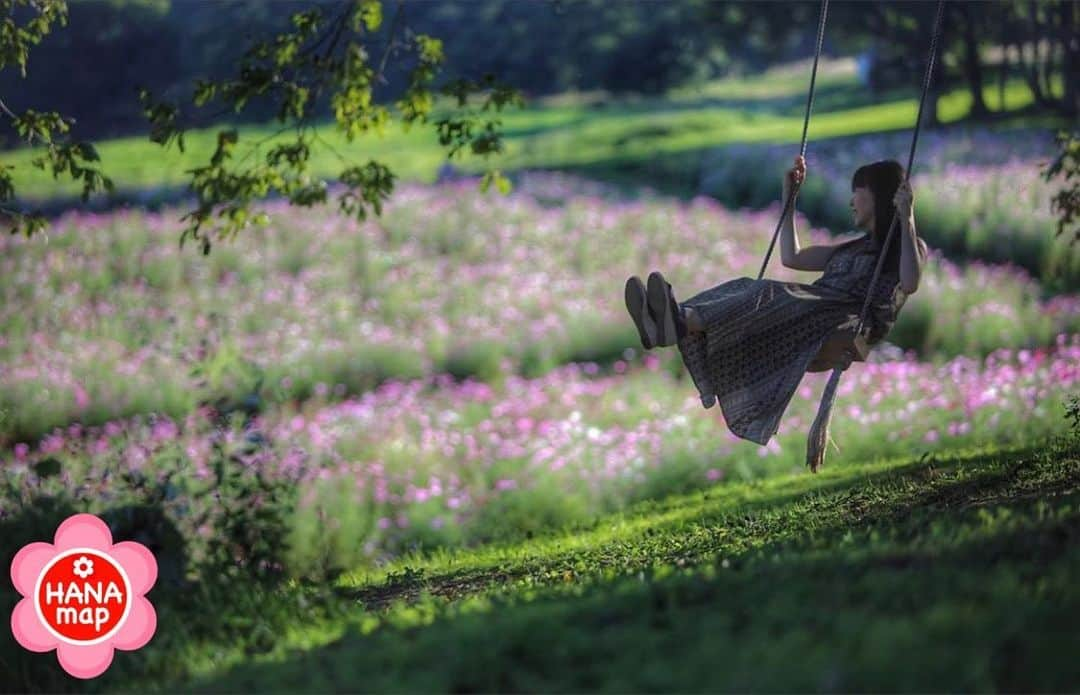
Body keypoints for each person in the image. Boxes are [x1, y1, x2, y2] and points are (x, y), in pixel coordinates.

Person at [624, 156, 928, 445]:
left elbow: (910, 282)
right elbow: (792, 256)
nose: (851, 201)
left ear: (881, 197)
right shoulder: (848, 250)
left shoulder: (908, 247)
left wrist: (908, 218)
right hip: (815, 305)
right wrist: (789, 198)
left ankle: (678, 321)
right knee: (748, 286)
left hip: (841, 317)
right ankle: (668, 322)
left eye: (857, 193)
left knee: (764, 293)